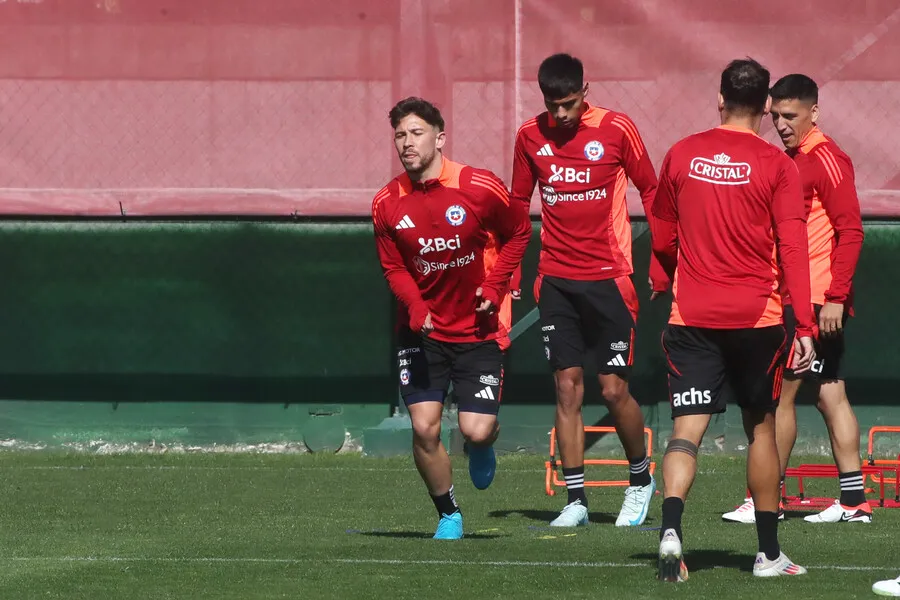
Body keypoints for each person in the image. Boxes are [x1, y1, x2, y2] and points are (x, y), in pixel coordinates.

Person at [651, 58, 816, 581]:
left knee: (685, 433)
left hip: (692, 314)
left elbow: (661, 235)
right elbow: (792, 247)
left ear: (719, 99)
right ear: (766, 110)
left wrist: (672, 277)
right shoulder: (778, 164)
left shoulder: (681, 153)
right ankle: (768, 554)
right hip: (757, 319)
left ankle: (671, 530)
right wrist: (805, 325)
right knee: (761, 428)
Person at [510, 53, 668, 528]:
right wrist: (514, 271)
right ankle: (576, 499)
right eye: (552, 105)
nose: (560, 115)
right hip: (556, 280)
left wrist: (661, 263)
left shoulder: (617, 129)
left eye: (569, 103)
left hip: (609, 280)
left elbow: (652, 190)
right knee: (566, 388)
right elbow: (518, 205)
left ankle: (640, 480)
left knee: (614, 389)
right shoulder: (528, 137)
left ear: (586, 91)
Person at [372, 97, 531, 540]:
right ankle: (449, 514)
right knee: (423, 428)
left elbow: (520, 231)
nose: (407, 142)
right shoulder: (386, 203)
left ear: (440, 138)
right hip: (421, 334)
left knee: (474, 430)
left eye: (416, 133)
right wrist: (416, 307)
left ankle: (483, 445)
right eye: (400, 135)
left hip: (476, 331)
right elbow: (393, 268)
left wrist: (497, 284)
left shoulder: (479, 186)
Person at [722, 74, 868, 525]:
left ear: (814, 113)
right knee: (830, 395)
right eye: (776, 116)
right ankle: (853, 501)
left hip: (815, 300)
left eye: (791, 116)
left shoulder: (827, 157)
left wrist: (836, 298)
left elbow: (852, 231)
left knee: (779, 399)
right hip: (801, 296)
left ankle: (766, 499)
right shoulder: (792, 158)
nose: (782, 124)